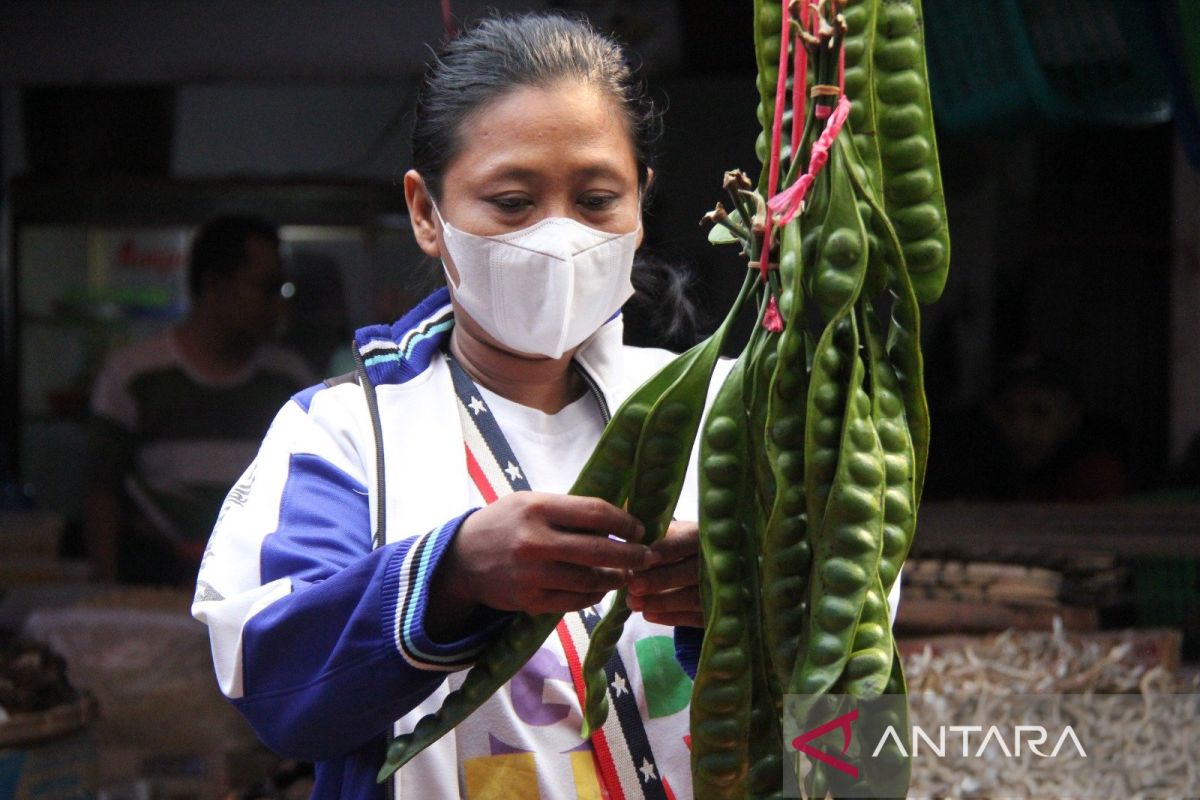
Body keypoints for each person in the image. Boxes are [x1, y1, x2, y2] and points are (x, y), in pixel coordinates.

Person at [192, 13, 900, 799]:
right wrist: (452, 574)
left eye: (597, 199)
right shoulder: (345, 435)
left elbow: (859, 747)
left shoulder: (735, 414)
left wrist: (746, 607)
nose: (558, 236)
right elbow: (267, 680)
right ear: (427, 213)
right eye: (513, 201)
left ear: (642, 205)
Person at [86, 214, 315, 585]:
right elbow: (101, 491)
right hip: (154, 586)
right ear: (213, 286)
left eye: (283, 290)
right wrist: (107, 591)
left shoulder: (291, 382)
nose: (279, 304)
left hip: (256, 594)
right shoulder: (132, 375)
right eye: (268, 288)